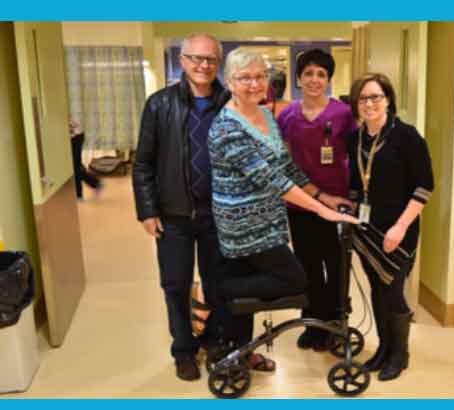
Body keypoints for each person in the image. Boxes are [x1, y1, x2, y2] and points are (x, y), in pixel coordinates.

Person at [207, 48, 359, 368]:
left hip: (270, 223)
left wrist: (324, 197)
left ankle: (241, 352)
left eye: (259, 76)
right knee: (294, 280)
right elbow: (271, 178)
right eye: (244, 77)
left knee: (249, 295)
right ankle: (216, 293)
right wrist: (322, 212)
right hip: (244, 225)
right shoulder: (225, 127)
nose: (254, 83)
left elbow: (286, 166)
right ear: (229, 82)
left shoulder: (264, 115)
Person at [132, 33, 245, 381]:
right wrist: (148, 210)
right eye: (196, 58)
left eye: (210, 59)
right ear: (182, 61)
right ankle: (183, 349)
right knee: (176, 285)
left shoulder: (232, 103)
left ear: (218, 64)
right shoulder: (159, 104)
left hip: (219, 217)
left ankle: (215, 341)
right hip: (173, 216)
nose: (203, 65)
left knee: (218, 285)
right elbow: (143, 163)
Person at [347, 73, 434, 381]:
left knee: (393, 290)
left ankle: (400, 354)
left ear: (388, 100)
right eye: (363, 98)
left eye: (376, 97)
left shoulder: (407, 136)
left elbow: (425, 187)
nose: (370, 103)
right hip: (368, 229)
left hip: (400, 229)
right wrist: (352, 212)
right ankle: (383, 348)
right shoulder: (356, 138)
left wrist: (399, 228)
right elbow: (357, 186)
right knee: (376, 288)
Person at [277, 49, 355, 351]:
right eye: (308, 73)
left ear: (329, 80)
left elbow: (354, 155)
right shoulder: (288, 116)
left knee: (335, 265)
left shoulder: (342, 114)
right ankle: (312, 321)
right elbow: (284, 159)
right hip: (299, 203)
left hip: (335, 204)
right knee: (307, 264)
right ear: (298, 78)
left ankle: (335, 322)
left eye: (321, 74)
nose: (314, 79)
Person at [69, 119, 103, 200]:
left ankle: (79, 195)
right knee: (76, 165)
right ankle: (95, 183)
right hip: (74, 135)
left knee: (75, 166)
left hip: (75, 136)